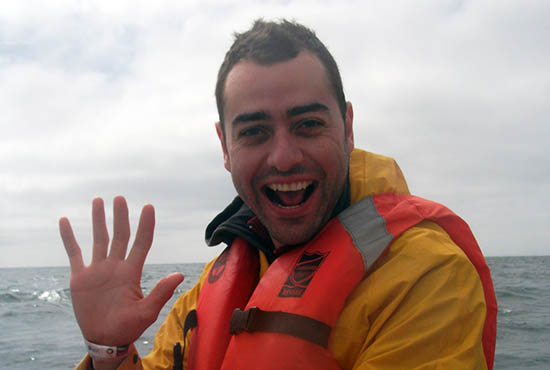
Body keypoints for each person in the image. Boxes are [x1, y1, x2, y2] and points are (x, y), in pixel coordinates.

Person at [59, 19, 497, 370]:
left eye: (308, 124)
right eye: (254, 132)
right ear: (225, 148)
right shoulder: (209, 290)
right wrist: (108, 353)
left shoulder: (429, 276)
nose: (284, 157)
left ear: (346, 128)